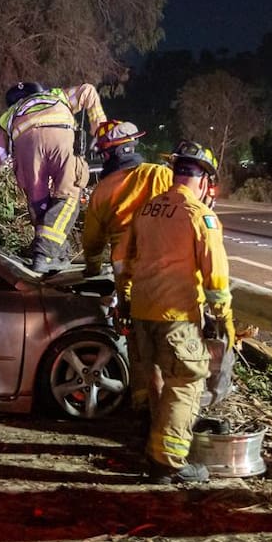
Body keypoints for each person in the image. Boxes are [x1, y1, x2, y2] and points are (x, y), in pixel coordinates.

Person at [126, 140, 235, 484]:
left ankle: (151, 446)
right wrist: (224, 319)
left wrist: (123, 296)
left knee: (155, 380)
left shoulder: (147, 210)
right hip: (177, 317)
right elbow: (216, 278)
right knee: (185, 383)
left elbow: (125, 257)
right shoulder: (200, 216)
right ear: (203, 181)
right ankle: (169, 462)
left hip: (142, 312)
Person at [0, 81, 106, 273]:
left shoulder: (10, 115)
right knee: (68, 196)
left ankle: (54, 253)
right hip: (58, 136)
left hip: (26, 149)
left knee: (39, 207)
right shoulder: (57, 95)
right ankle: (46, 254)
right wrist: (100, 131)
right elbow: (87, 90)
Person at [81, 120, 174, 410]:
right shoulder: (161, 175)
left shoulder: (103, 190)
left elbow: (92, 243)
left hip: (132, 287)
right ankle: (171, 413)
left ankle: (143, 412)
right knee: (172, 353)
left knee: (140, 352)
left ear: (109, 154)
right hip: (171, 281)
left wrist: (93, 270)